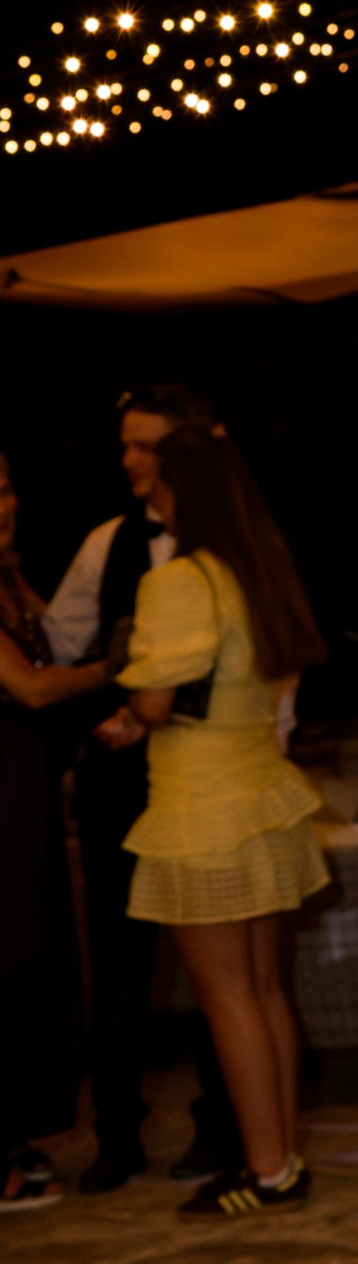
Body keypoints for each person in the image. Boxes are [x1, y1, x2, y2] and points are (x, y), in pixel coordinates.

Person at [103, 424, 331, 1219]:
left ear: (179, 484)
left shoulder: (180, 580)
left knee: (229, 996)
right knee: (264, 990)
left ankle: (265, 1169)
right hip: (260, 793)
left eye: (150, 462)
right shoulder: (253, 570)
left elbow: (156, 700)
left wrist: (131, 709)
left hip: (202, 806)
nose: (137, 470)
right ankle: (282, 1161)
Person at [43, 383, 234, 1190]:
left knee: (224, 974)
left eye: (146, 444)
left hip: (207, 777)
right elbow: (58, 641)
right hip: (124, 779)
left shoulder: (233, 545)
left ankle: (226, 1130)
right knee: (121, 962)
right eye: (124, 443)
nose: (129, 460)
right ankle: (116, 1132)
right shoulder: (105, 544)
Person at [0, 449, 115, 1202]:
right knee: (7, 957)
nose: (3, 502)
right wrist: (122, 667)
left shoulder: (9, 576)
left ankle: (13, 1136)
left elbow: (55, 636)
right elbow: (33, 686)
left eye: (5, 486)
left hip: (26, 787)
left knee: (34, 952)